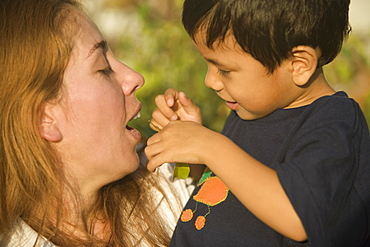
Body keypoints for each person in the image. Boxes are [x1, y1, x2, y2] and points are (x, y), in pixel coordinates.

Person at [144, 0, 370, 246]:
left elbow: (298, 217)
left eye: (225, 70)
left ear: (299, 65)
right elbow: (219, 194)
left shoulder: (332, 122)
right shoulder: (249, 112)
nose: (211, 81)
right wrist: (190, 155)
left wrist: (208, 145)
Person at [0, 0, 182, 246]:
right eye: (104, 68)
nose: (135, 78)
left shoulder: (165, 180)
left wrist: (194, 164)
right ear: (44, 118)